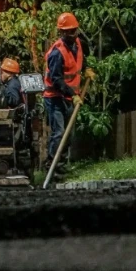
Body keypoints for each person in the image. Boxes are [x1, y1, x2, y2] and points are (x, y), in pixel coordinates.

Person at [44, 13, 84, 174]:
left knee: (68, 133)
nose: (69, 35)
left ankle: (61, 164)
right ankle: (51, 165)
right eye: (65, 32)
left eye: (72, 31)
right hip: (55, 98)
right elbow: (57, 80)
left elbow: (80, 60)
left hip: (69, 97)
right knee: (59, 132)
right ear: (61, 32)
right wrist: (73, 94)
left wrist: (87, 69)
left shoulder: (78, 44)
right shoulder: (57, 53)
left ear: (76, 30)